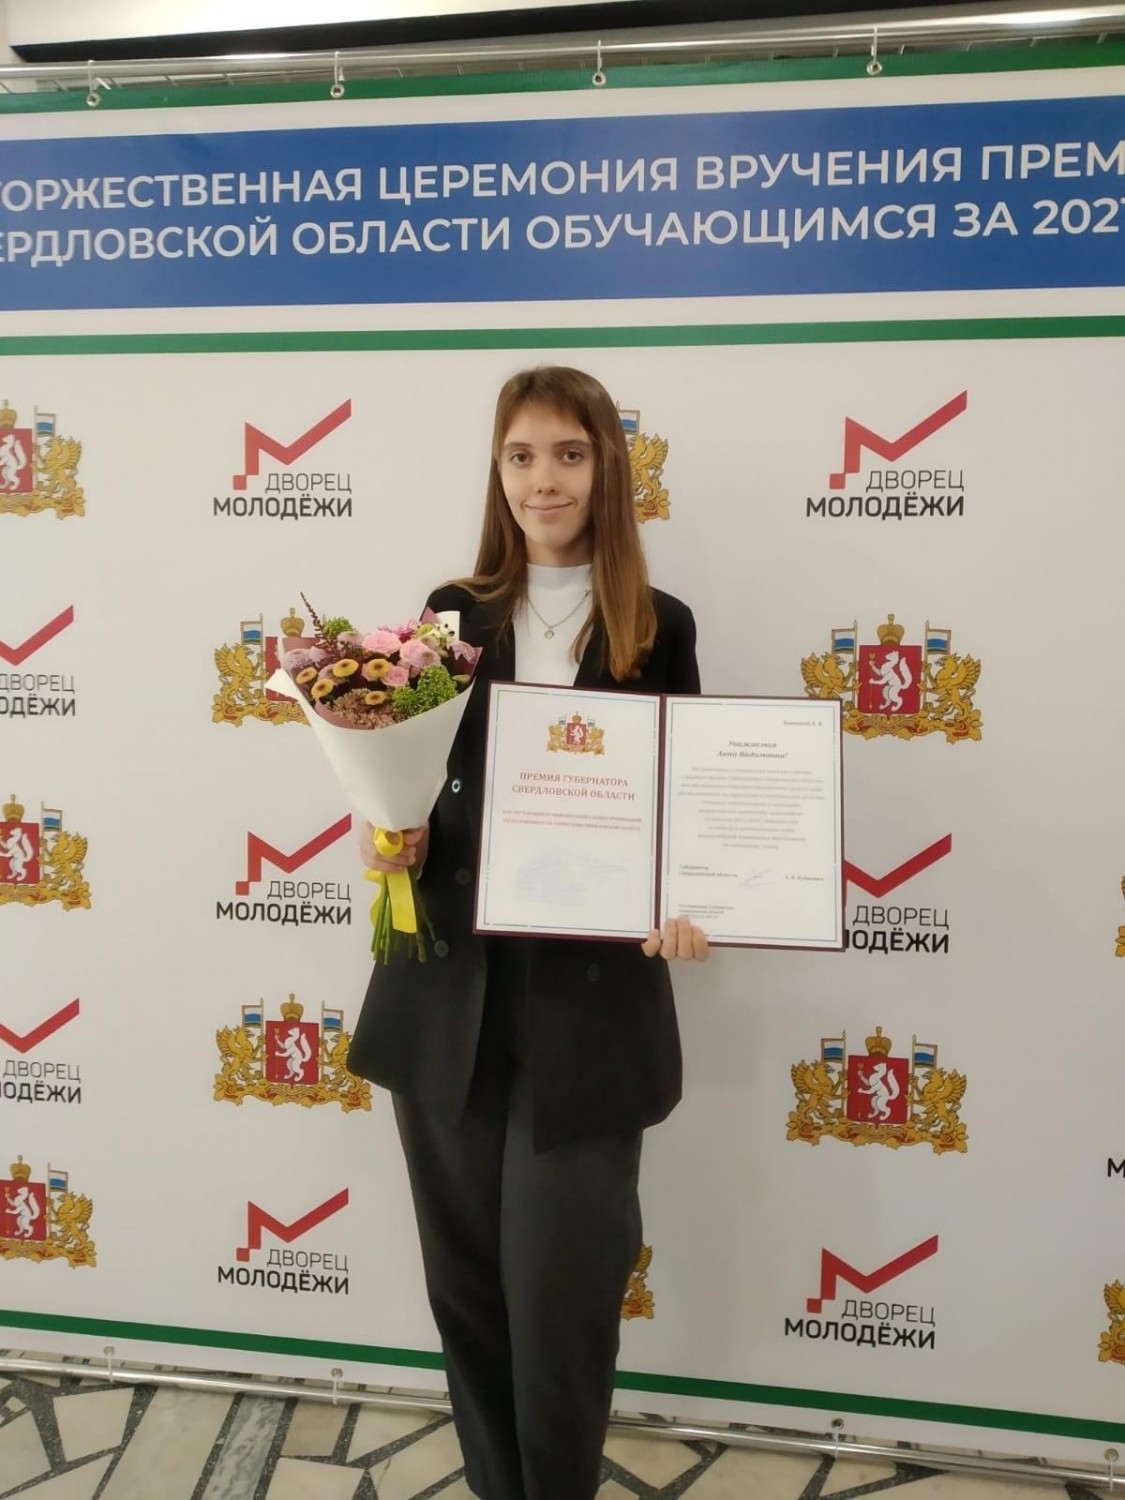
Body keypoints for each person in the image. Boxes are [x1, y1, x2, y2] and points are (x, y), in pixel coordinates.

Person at [347, 365, 707, 1500]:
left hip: (590, 1014)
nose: (542, 479)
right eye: (520, 455)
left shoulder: (658, 625)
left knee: (564, 1300)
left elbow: (688, 807)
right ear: (497, 472)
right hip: (446, 998)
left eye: (568, 453)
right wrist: (389, 834)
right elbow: (413, 790)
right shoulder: (450, 613)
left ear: (606, 467)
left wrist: (693, 902)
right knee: (467, 1297)